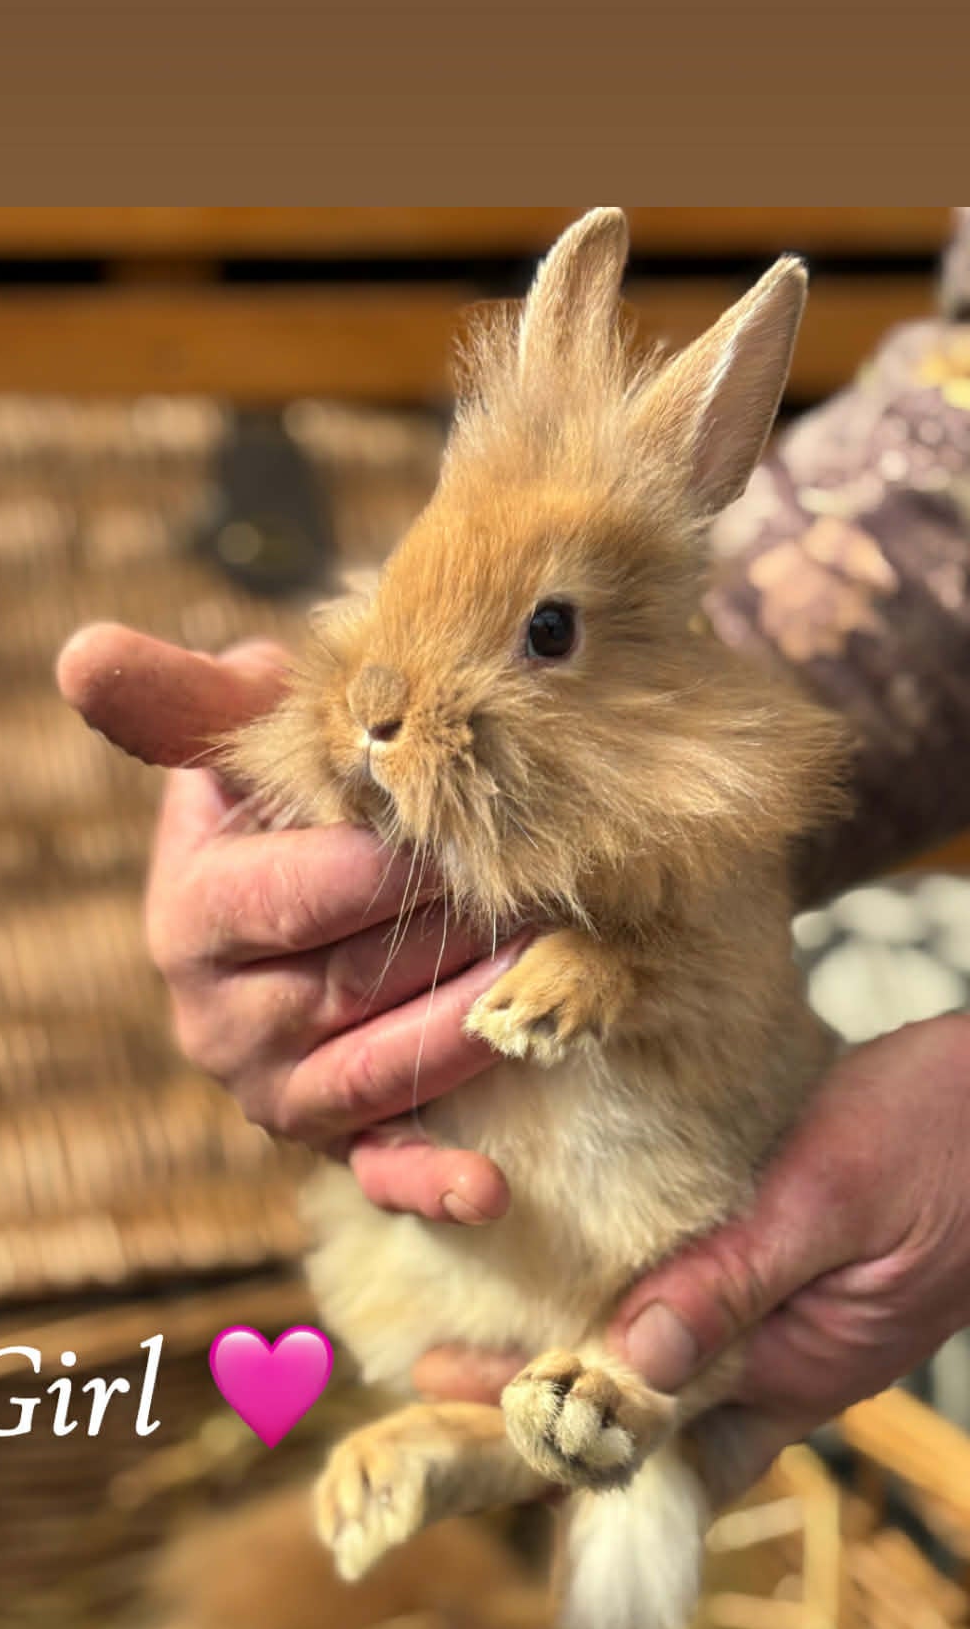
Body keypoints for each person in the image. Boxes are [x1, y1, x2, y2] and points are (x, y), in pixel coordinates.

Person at [58, 622, 970, 1498]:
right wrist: (273, 772)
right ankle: (513, 1432)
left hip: (711, 1238)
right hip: (499, 1267)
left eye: (542, 635)